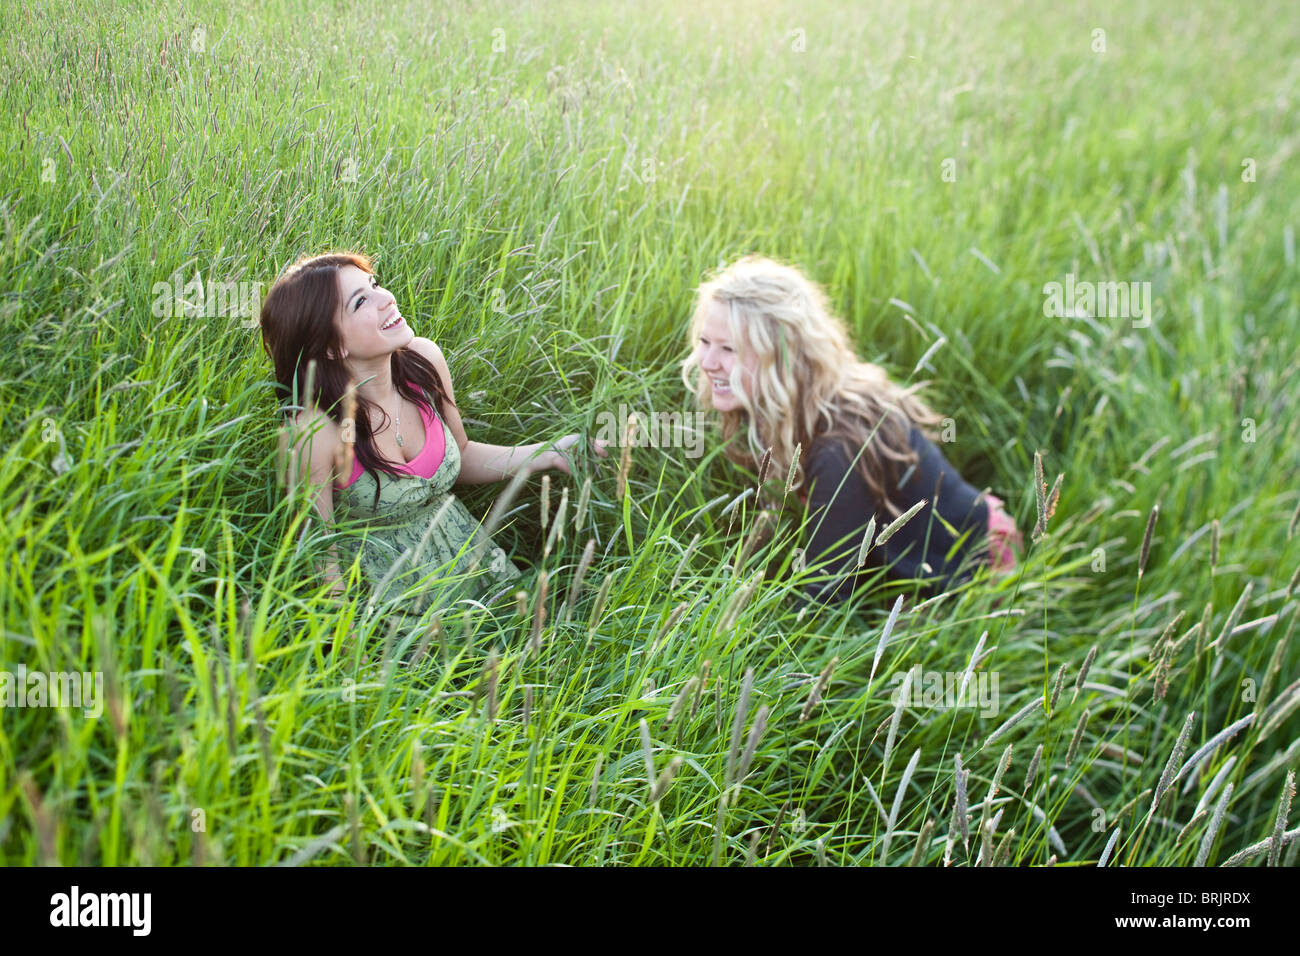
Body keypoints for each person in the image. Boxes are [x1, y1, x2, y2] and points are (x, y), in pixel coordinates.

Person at [260, 251, 604, 625]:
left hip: (477, 571)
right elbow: (319, 554)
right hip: (394, 612)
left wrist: (548, 453)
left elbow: (463, 454)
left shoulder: (423, 364)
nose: (386, 298)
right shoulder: (313, 430)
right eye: (361, 301)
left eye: (374, 285)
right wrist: (348, 653)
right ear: (331, 345)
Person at [681, 254, 1022, 607]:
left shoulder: (840, 449)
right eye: (705, 342)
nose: (707, 362)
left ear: (781, 357)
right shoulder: (789, 403)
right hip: (908, 556)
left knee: (892, 650)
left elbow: (824, 597)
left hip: (975, 566)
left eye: (728, 349)